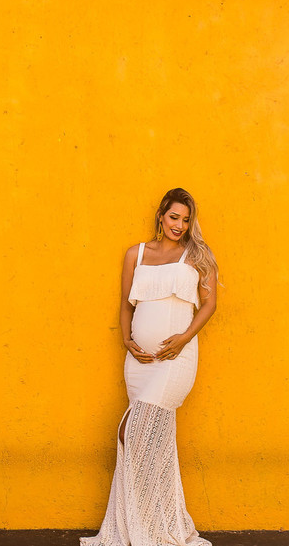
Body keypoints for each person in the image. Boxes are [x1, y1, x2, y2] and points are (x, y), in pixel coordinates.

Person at [81, 188, 219, 546]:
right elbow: (126, 305)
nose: (180, 225)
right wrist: (127, 340)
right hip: (139, 363)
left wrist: (185, 337)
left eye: (186, 220)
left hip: (176, 360)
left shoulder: (197, 255)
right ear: (161, 216)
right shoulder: (136, 254)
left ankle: (152, 526)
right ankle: (152, 522)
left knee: (133, 432)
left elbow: (209, 305)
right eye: (174, 217)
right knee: (150, 444)